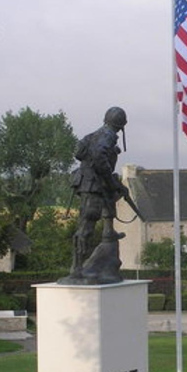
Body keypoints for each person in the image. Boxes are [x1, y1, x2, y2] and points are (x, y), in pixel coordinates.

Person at [69, 106, 129, 278]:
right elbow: (99, 155)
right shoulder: (107, 136)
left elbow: (79, 151)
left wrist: (112, 184)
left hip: (92, 184)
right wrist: (110, 180)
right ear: (121, 125)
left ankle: (109, 232)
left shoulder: (94, 135)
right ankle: (77, 268)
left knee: (109, 199)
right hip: (93, 186)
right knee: (86, 227)